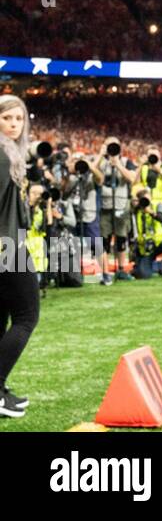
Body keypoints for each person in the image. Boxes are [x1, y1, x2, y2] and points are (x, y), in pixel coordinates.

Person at [0, 95, 36, 417]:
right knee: (27, 317)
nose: (13, 124)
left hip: (9, 244)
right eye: (7, 118)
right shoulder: (1, 155)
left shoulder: (10, 153)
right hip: (7, 248)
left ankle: (0, 391)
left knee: (1, 321)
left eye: (19, 118)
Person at [95, 137, 134, 284]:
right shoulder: (101, 162)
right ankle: (105, 272)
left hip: (120, 205)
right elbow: (92, 170)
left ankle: (122, 269)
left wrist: (117, 164)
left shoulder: (125, 161)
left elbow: (131, 177)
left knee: (121, 238)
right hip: (104, 206)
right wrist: (100, 155)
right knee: (103, 240)